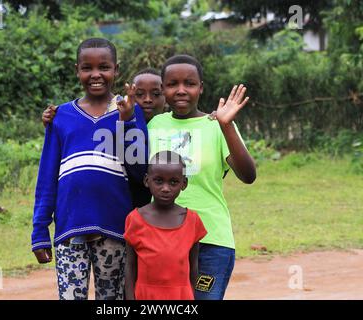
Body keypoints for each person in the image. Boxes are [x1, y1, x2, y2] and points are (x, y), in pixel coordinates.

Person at [31, 37, 148, 300]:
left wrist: (128, 121)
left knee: (113, 301)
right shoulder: (60, 116)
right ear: (77, 70)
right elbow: (47, 178)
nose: (96, 75)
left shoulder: (130, 111)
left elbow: (141, 172)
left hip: (115, 228)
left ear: (116, 70)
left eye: (104, 67)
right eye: (87, 68)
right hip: (70, 228)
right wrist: (39, 231)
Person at [147, 54, 256, 300]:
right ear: (163, 89)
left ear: (201, 88)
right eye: (173, 84)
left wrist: (226, 126)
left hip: (211, 239)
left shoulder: (217, 125)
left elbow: (248, 175)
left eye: (190, 83)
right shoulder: (153, 125)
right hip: (161, 238)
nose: (181, 90)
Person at [42, 67, 166, 208]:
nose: (148, 100)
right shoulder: (115, 121)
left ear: (166, 97)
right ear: (128, 96)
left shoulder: (172, 130)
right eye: (139, 94)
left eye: (156, 94)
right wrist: (59, 122)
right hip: (122, 208)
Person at [124, 150, 207, 300]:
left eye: (173, 182)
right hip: (145, 295)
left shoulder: (192, 220)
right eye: (159, 181)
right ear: (146, 180)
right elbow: (130, 266)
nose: (166, 188)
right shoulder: (135, 219)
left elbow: (194, 267)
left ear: (184, 183)